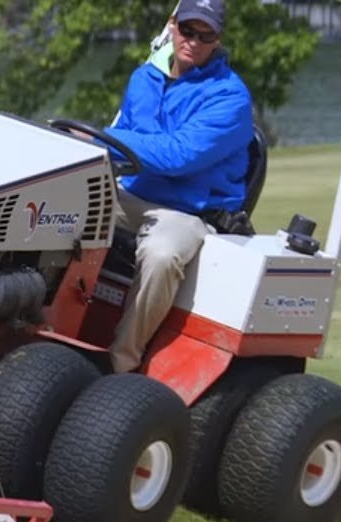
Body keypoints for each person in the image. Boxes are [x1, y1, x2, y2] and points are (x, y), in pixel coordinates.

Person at [102, 0, 254, 373]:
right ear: (173, 25)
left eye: (207, 35)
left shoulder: (230, 98)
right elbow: (140, 144)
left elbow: (177, 157)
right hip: (133, 193)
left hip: (188, 210)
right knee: (56, 210)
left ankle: (121, 364)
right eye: (188, 30)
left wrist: (103, 138)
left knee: (161, 254)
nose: (194, 41)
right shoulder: (144, 78)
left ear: (218, 40)